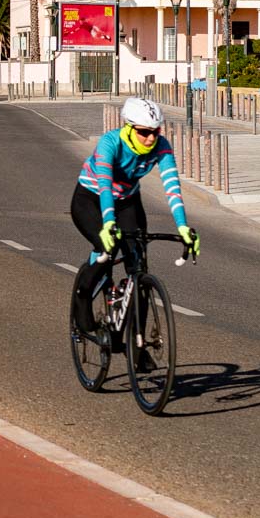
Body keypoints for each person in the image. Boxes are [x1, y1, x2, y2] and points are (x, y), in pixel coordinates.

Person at [69, 96, 199, 350]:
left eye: (155, 132)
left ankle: (137, 347)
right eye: (143, 133)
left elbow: (172, 187)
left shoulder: (161, 146)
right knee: (107, 248)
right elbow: (105, 185)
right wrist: (108, 222)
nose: (150, 138)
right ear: (129, 127)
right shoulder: (111, 143)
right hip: (92, 199)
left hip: (128, 201)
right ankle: (83, 296)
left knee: (138, 267)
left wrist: (183, 227)